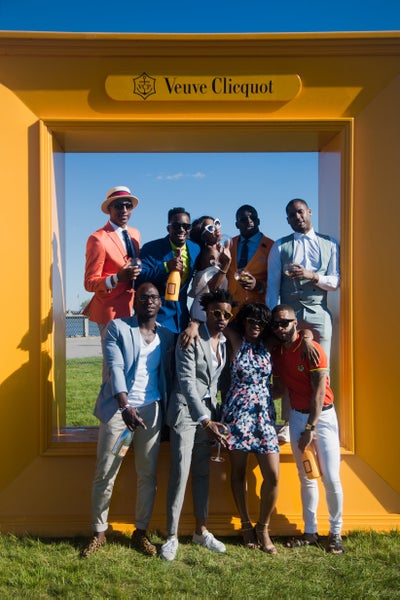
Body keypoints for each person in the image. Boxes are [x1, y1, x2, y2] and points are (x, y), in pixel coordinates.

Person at [82, 282, 175, 557]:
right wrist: (125, 406)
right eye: (143, 297)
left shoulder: (167, 336)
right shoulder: (118, 328)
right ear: (136, 301)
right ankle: (99, 532)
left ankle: (140, 532)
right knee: (106, 471)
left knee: (147, 474)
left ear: (160, 303)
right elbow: (116, 367)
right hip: (119, 411)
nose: (149, 301)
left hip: (151, 412)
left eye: (154, 297)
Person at [160, 289, 234, 562]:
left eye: (227, 314)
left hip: (208, 416)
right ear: (206, 313)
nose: (222, 318)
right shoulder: (190, 337)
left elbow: (216, 382)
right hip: (186, 413)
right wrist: (205, 420)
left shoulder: (224, 342)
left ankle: (200, 531)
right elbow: (187, 383)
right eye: (217, 312)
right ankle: (171, 535)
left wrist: (215, 416)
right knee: (180, 472)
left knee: (202, 473)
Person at [270, 304, 344, 554]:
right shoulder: (278, 353)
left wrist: (311, 427)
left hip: (322, 418)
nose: (280, 328)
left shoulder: (311, 348)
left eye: (285, 323)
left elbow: (319, 392)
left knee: (330, 477)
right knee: (307, 477)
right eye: (276, 324)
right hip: (297, 417)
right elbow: (279, 389)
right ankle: (310, 532)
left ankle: (335, 533)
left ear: (295, 323)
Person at [267, 198, 340, 444]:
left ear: (309, 212)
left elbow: (335, 281)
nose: (296, 217)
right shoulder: (280, 246)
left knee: (320, 370)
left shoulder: (329, 243)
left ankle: (319, 424)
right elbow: (272, 287)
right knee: (290, 370)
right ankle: (288, 423)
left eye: (299, 212)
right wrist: (273, 320)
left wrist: (311, 275)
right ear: (287, 219)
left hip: (318, 313)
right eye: (291, 215)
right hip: (290, 316)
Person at [221, 302, 279, 554]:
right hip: (238, 414)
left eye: (261, 322)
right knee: (238, 471)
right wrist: (192, 325)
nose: (256, 326)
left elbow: (295, 331)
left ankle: (263, 527)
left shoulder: (268, 344)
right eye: (251, 320)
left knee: (273, 476)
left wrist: (308, 336)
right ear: (243, 321)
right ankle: (245, 523)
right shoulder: (236, 340)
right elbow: (217, 320)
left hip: (263, 415)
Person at [83, 186, 142, 329]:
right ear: (109, 209)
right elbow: (89, 283)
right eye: (119, 206)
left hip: (133, 309)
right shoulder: (97, 239)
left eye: (128, 206)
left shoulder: (135, 234)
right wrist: (116, 278)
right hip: (109, 312)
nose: (124, 210)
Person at [136, 207, 200, 334]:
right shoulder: (151, 248)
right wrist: (165, 267)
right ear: (168, 228)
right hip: (157, 317)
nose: (181, 229)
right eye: (176, 226)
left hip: (182, 317)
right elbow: (139, 278)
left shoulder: (195, 249)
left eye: (186, 226)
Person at [226, 205, 274, 311]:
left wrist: (258, 286)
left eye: (253, 218)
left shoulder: (272, 247)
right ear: (237, 225)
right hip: (231, 310)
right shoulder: (229, 244)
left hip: (257, 311)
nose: (249, 221)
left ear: (258, 221)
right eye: (243, 219)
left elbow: (278, 282)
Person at [188, 216, 232, 322]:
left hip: (210, 305)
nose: (216, 229)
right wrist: (226, 264)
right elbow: (213, 287)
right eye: (210, 228)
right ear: (203, 236)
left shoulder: (218, 249)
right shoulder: (210, 252)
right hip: (205, 307)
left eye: (216, 223)